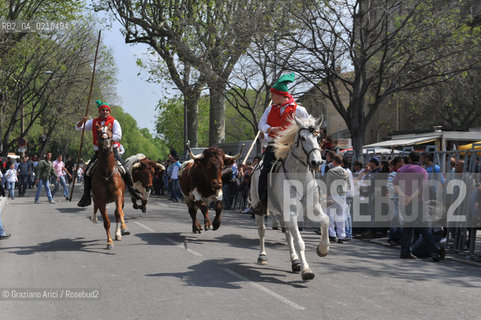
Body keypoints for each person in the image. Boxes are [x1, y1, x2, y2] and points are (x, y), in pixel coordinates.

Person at [252, 73, 309, 214]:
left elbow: (307, 126)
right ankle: (263, 203)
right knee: (265, 171)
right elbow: (261, 124)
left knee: (310, 166)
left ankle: (316, 196)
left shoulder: (299, 110)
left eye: (273, 95)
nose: (271, 98)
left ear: (280, 95)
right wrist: (270, 128)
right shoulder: (270, 109)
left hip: (292, 146)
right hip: (274, 145)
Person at [75, 100, 139, 207]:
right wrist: (82, 121)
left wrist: (106, 139)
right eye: (103, 110)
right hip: (98, 152)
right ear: (99, 111)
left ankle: (132, 191)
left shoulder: (114, 122)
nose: (105, 112)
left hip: (111, 151)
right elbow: (78, 128)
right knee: (87, 173)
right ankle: (86, 196)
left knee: (125, 170)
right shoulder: (93, 122)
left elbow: (118, 136)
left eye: (107, 110)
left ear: (109, 112)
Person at [394, 151, 440, 260]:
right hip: (417, 202)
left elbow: (395, 184)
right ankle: (434, 251)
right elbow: (421, 188)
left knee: (407, 228)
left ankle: (404, 252)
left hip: (404, 201)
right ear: (419, 159)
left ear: (409, 159)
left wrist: (403, 195)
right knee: (424, 228)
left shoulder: (401, 170)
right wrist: (411, 197)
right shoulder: (422, 171)